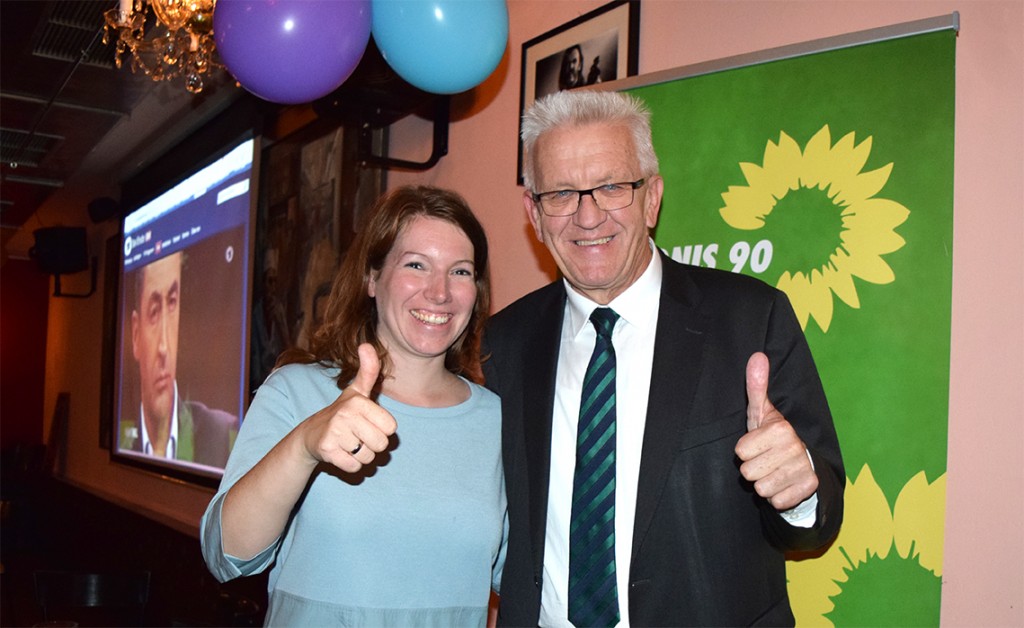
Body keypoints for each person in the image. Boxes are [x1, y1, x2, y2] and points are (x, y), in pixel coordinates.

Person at [483, 90, 844, 627]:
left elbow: (818, 521)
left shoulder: (752, 319)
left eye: (611, 187)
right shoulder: (501, 343)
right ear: (534, 213)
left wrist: (798, 492)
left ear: (652, 198)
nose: (587, 216)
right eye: (561, 193)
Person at [201, 185, 506, 626]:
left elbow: (522, 575)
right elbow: (227, 554)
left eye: (460, 272)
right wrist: (304, 445)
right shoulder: (295, 392)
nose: (439, 292)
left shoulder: (497, 420)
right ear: (371, 278)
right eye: (416, 265)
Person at [121, 250, 236, 467]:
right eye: (154, 312)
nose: (164, 347)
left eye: (172, 303)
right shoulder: (123, 440)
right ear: (135, 335)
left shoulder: (222, 434)